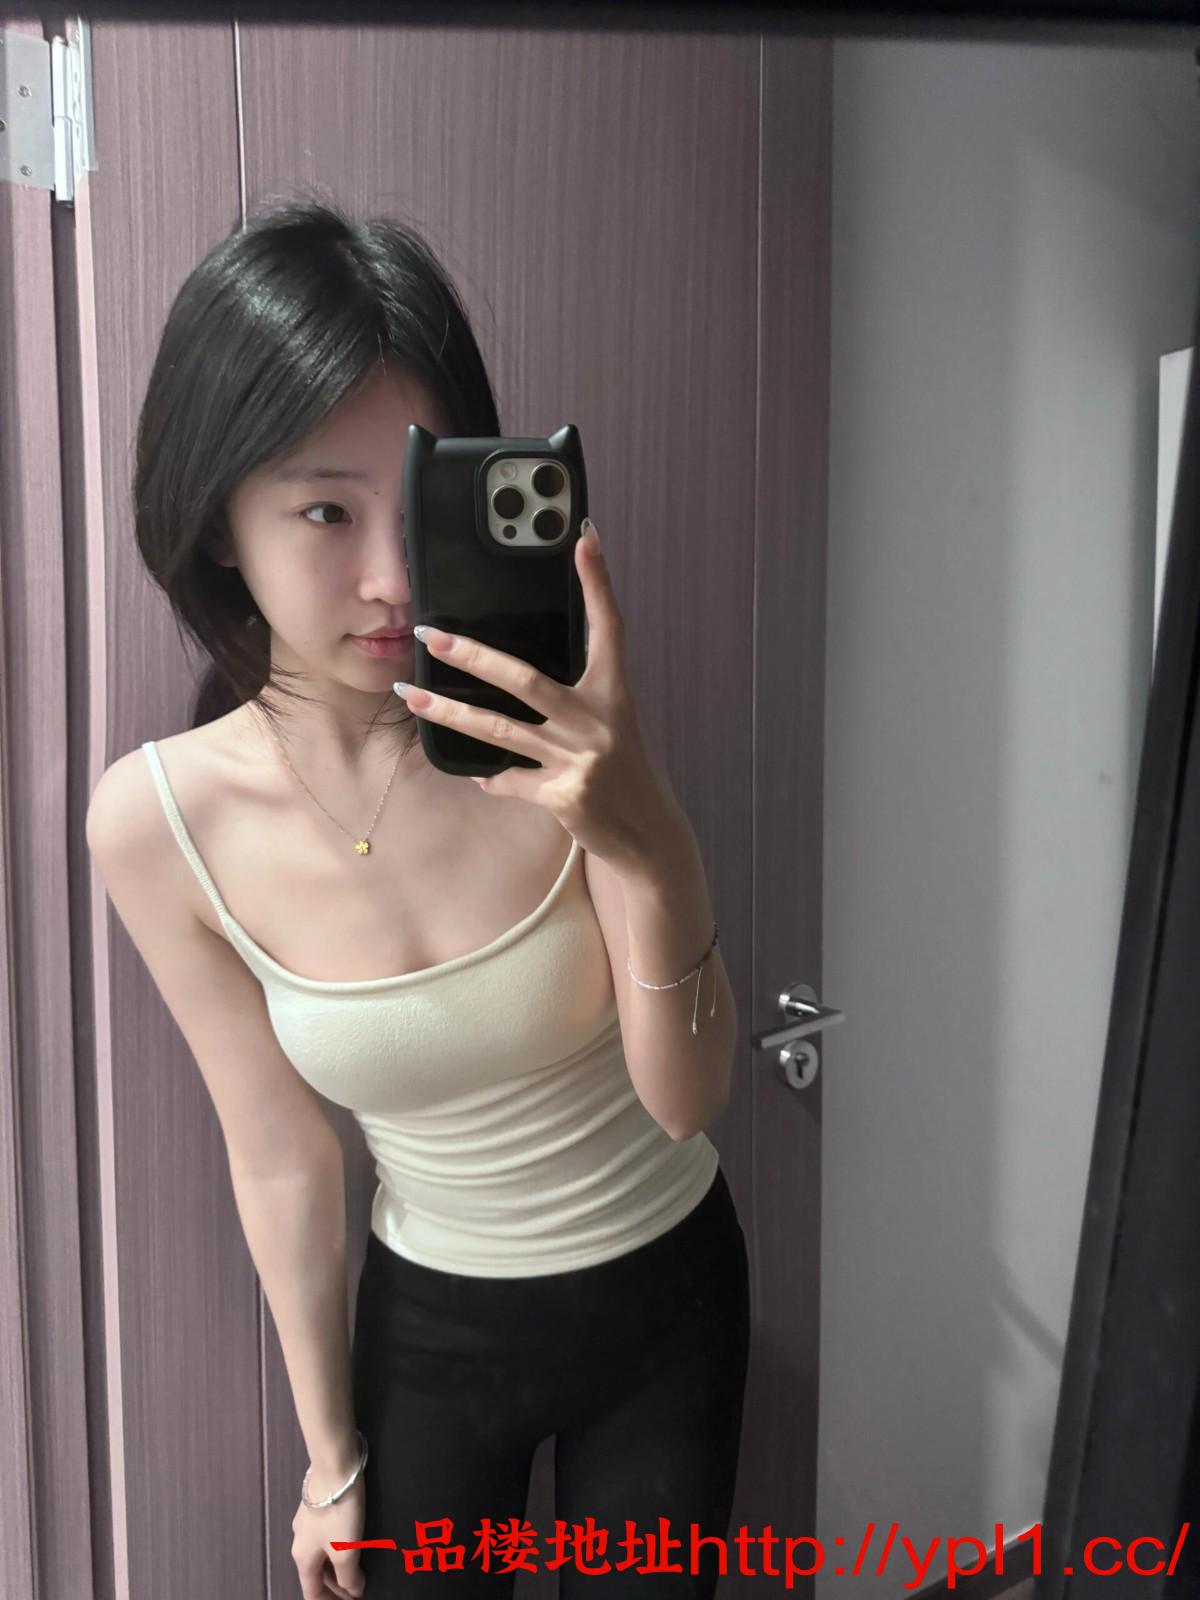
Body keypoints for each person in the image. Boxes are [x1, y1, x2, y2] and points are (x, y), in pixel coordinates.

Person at [86, 195, 750, 1599]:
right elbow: (281, 1155)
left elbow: (687, 1100)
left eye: (420, 501)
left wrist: (650, 840)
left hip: (668, 1295)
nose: (392, 579)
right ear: (219, 524)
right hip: (432, 1332)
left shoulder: (556, 728)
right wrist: (329, 1460)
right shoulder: (160, 823)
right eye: (326, 510)